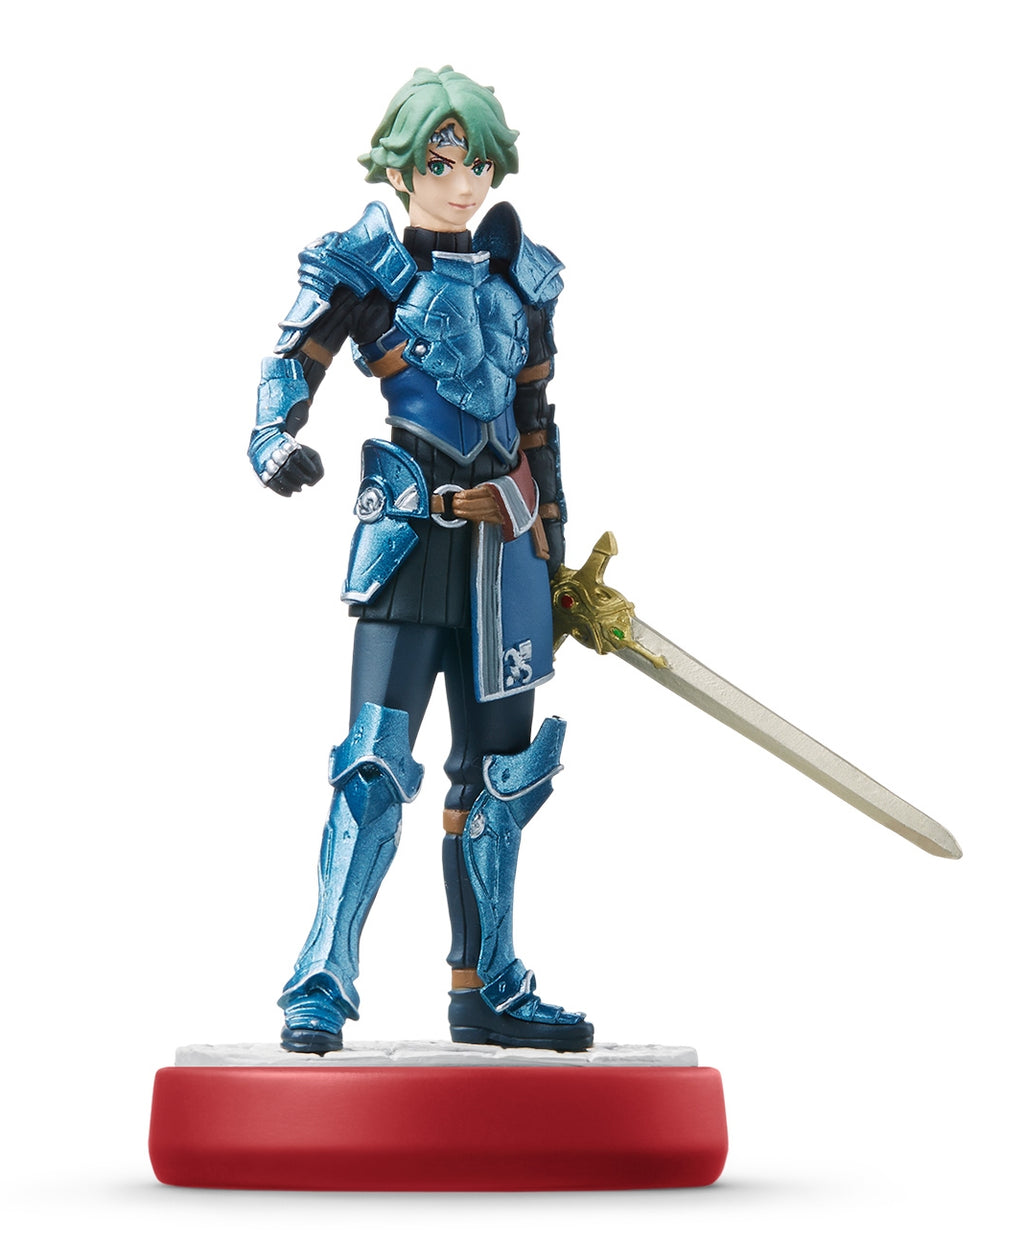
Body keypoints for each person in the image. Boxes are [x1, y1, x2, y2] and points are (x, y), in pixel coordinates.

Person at [248, 66, 592, 1054]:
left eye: (477, 163)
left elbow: (535, 421)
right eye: (440, 162)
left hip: (506, 561)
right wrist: (271, 439)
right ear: (400, 168)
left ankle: (486, 989)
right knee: (371, 765)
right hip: (408, 542)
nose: (462, 182)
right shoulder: (368, 269)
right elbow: (293, 360)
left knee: (501, 781)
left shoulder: (525, 279)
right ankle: (321, 978)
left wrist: (554, 552)